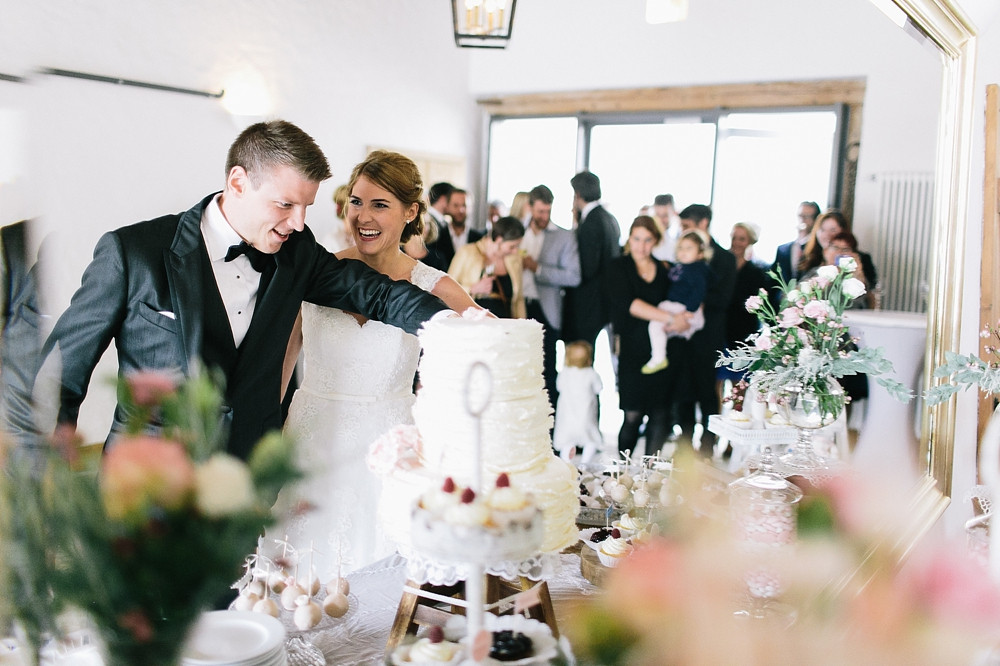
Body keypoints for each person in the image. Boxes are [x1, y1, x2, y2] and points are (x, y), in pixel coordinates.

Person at [39, 120, 450, 460]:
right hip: (148, 486)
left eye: (307, 206)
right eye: (286, 204)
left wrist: (452, 321)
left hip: (247, 486)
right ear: (238, 182)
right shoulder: (134, 253)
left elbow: (377, 294)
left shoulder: (298, 252)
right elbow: (59, 377)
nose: (299, 223)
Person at [276, 150, 483, 575]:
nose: (363, 216)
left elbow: (487, 351)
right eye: (356, 201)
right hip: (310, 442)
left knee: (379, 573)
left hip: (389, 450)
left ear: (411, 212)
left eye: (380, 205)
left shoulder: (435, 286)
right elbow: (280, 365)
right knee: (296, 574)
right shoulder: (315, 274)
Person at [606, 216, 690, 457]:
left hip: (663, 352)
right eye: (636, 239)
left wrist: (681, 320)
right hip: (632, 351)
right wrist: (671, 319)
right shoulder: (617, 267)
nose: (641, 246)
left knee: (660, 415)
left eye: (647, 240)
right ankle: (620, 475)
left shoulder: (664, 269)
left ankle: (649, 478)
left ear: (655, 241)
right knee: (632, 415)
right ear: (629, 238)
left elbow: (678, 300)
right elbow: (630, 304)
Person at [667, 204, 736, 458]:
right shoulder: (681, 254)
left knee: (707, 392)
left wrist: (695, 299)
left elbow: (724, 297)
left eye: (686, 226)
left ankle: (708, 445)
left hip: (708, 336)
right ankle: (685, 444)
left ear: (703, 223)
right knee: (682, 391)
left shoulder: (724, 258)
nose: (683, 233)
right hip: (680, 337)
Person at [519, 184, 581, 406]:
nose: (544, 216)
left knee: (546, 372)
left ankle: (550, 429)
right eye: (540, 211)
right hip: (517, 307)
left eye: (548, 211)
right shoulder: (517, 232)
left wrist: (537, 268)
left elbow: (574, 277)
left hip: (546, 309)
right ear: (530, 208)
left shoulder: (564, 237)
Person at [563, 171, 621, 350]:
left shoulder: (591, 223)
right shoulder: (609, 218)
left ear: (578, 194)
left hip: (589, 301)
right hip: (604, 297)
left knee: (582, 350)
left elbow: (588, 267)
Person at [642, 229, 710, 375]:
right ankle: (659, 355)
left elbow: (699, 291)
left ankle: (658, 357)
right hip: (678, 307)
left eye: (689, 248)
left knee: (655, 325)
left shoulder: (697, 270)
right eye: (681, 248)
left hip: (683, 309)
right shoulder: (681, 267)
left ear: (700, 253)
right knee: (659, 328)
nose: (684, 251)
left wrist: (689, 311)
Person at [719, 222, 772, 387]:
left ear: (750, 241)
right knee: (717, 378)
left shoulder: (757, 271)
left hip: (743, 332)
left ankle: (737, 413)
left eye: (741, 239)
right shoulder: (721, 264)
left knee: (739, 381)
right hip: (721, 329)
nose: (736, 242)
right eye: (734, 238)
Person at [449, 216, 526, 319]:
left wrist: (523, 326)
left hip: (505, 327)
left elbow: (519, 300)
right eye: (512, 246)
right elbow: (448, 290)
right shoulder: (467, 252)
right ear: (499, 240)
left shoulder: (514, 259)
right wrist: (472, 289)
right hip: (472, 325)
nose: (515, 251)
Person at [798, 209, 878, 289]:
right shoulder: (809, 258)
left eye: (833, 230)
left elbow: (870, 291)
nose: (827, 235)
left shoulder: (858, 259)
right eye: (822, 230)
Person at [552, 340, 603, 464]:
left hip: (567, 412)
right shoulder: (591, 373)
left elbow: (559, 387)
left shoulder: (564, 373)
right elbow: (599, 388)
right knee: (590, 439)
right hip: (585, 412)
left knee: (567, 440)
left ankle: (565, 462)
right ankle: (585, 464)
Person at [435, 188, 484, 268]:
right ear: (447, 207)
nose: (461, 210)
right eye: (455, 205)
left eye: (464, 205)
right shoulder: (437, 238)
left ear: (471, 208)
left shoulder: (479, 239)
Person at [771, 201, 820, 281]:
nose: (802, 220)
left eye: (807, 216)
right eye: (800, 216)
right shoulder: (783, 249)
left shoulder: (817, 248)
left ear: (815, 220)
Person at [651, 193, 681, 263]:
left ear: (674, 213)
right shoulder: (648, 236)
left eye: (665, 215)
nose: (660, 220)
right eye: (658, 215)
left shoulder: (681, 236)